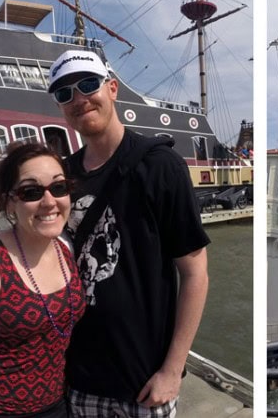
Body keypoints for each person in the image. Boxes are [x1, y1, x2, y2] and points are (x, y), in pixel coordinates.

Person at [46, 49, 210, 417]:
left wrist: (172, 371)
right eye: (64, 93)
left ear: (113, 88)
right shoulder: (62, 179)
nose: (79, 99)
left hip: (144, 385)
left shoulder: (160, 166)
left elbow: (195, 273)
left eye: (88, 84)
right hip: (76, 381)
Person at [0, 142, 86, 418]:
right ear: (10, 201)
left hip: (56, 406)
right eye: (31, 192)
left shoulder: (66, 247)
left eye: (59, 187)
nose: (50, 202)